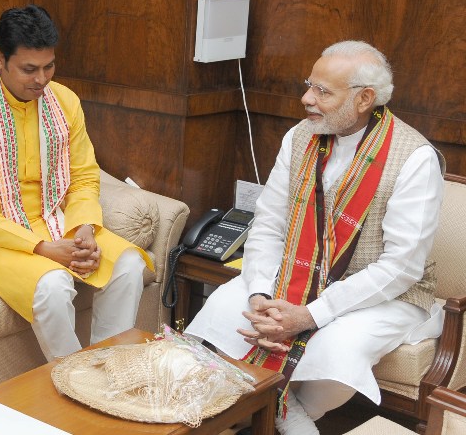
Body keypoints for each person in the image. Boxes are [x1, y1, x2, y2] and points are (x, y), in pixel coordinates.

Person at [185, 40, 445, 434]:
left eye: (323, 92)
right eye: (310, 85)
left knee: (339, 348)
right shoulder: (300, 137)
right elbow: (268, 223)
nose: (307, 98)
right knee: (225, 305)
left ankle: (275, 416)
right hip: (293, 275)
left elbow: (401, 267)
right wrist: (259, 294)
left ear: (364, 99)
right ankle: (279, 415)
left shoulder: (414, 157)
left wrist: (310, 315)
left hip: (384, 293)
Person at [0, 5, 151, 361]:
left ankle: (110, 367)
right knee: (52, 284)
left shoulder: (65, 101)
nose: (41, 80)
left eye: (49, 66)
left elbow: (84, 176)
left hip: (56, 222)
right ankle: (74, 376)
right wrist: (42, 247)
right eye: (29, 69)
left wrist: (83, 229)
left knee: (128, 264)